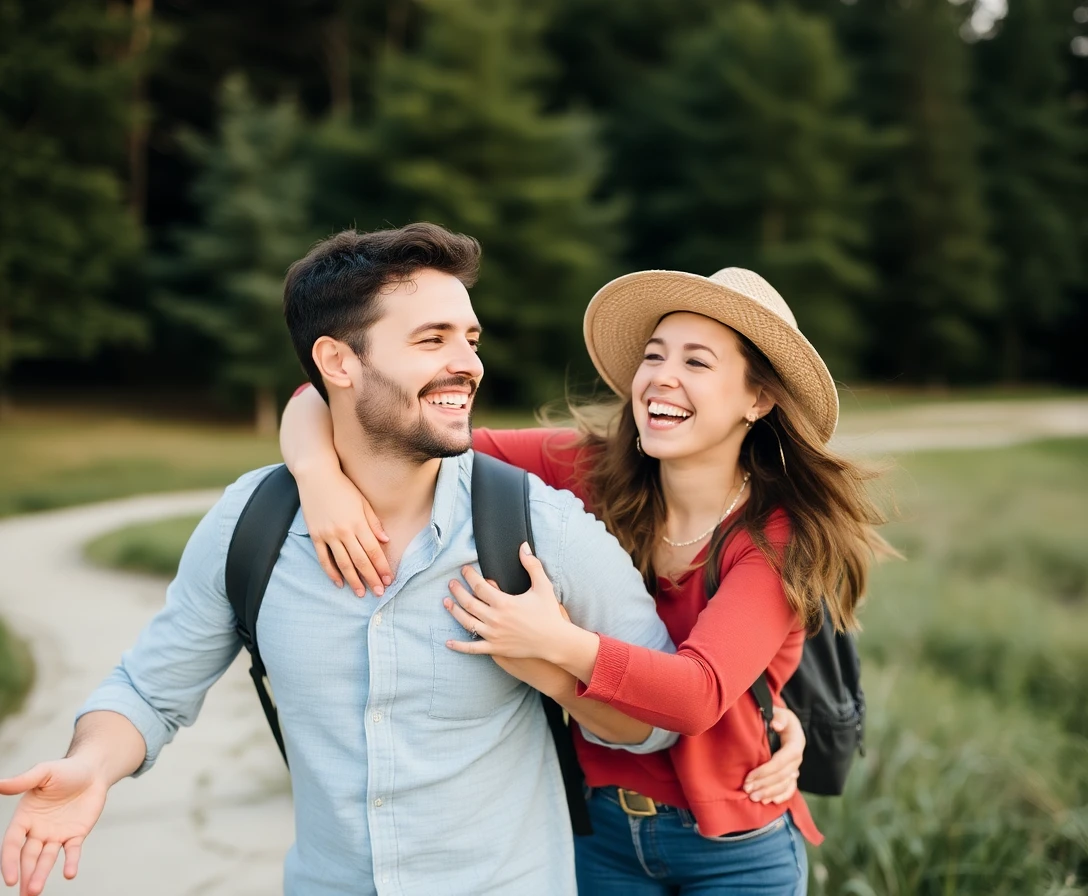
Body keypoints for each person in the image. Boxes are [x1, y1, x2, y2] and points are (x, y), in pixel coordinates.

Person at [0, 224, 697, 896]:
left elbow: (655, 716)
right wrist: (91, 766)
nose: (469, 363)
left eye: (471, 339)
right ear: (338, 362)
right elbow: (150, 691)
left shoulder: (536, 528)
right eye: (432, 339)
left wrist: (552, 662)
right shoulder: (252, 527)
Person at [281, 265, 894, 894]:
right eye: (654, 356)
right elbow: (344, 401)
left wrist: (553, 641)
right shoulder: (592, 470)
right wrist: (316, 476)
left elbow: (697, 694)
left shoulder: (775, 536)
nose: (662, 376)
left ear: (757, 400)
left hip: (736, 848)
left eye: (698, 362)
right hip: (598, 832)